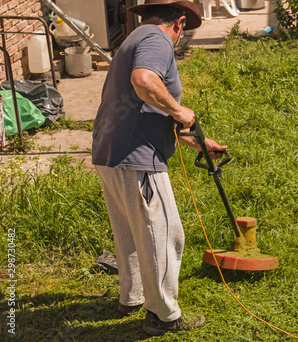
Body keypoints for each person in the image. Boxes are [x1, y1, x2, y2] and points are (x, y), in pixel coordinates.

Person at [91, 0, 227, 336]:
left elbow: (143, 105)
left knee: (132, 236)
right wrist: (181, 112)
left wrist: (194, 138)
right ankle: (163, 316)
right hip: (138, 157)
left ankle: (133, 297)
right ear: (179, 23)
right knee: (165, 235)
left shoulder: (136, 37)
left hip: (110, 150)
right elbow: (144, 81)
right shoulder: (157, 39)